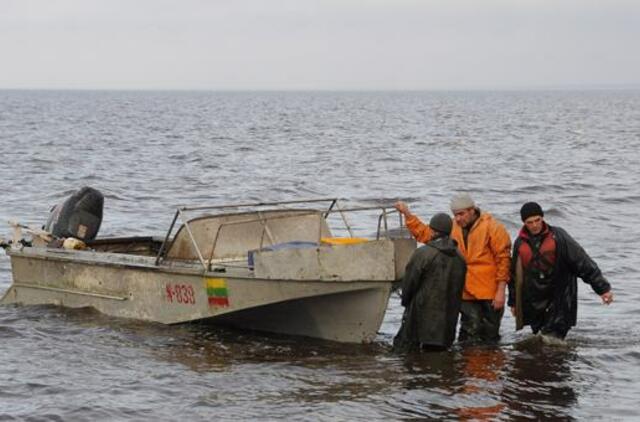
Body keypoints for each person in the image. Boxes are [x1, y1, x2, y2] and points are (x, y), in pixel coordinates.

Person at [395, 193, 511, 343]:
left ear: (472, 210)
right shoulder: (452, 227)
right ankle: (467, 364)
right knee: (467, 335)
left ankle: (487, 363)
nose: (457, 218)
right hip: (465, 292)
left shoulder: (494, 227)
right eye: (455, 215)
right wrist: (407, 214)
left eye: (461, 214)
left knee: (490, 336)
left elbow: (504, 260)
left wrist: (501, 291)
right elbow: (426, 234)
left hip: (489, 293)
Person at [508, 202, 613, 339]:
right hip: (535, 301)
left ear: (543, 218)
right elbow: (515, 276)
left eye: (537, 220)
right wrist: (514, 302)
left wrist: (603, 288)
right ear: (524, 223)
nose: (534, 225)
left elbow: (582, 262)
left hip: (560, 298)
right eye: (530, 222)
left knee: (552, 341)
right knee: (540, 343)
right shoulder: (519, 243)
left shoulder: (559, 237)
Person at [393, 213, 466, 351]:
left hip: (421, 316)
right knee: (439, 356)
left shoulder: (423, 253)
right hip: (448, 320)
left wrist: (405, 301)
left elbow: (410, 282)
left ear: (432, 231)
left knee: (412, 356)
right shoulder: (460, 257)